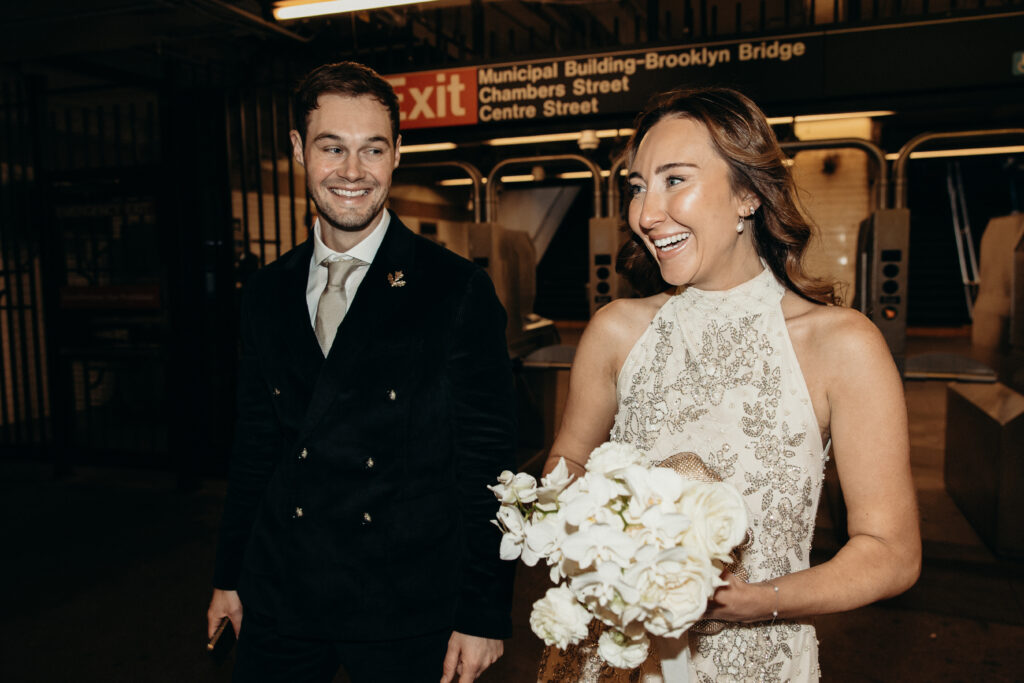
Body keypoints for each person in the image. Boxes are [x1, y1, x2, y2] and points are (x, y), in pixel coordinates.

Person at [540, 87, 921, 681]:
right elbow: (567, 461)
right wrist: (593, 535)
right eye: (638, 186)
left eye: (675, 180)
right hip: (617, 660)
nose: (645, 213)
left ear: (747, 194)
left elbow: (891, 553)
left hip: (759, 661)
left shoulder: (841, 345)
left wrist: (754, 600)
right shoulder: (615, 331)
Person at [206, 61, 516, 683]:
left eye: (372, 149)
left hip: (407, 599)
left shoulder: (453, 288)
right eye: (332, 148)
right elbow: (255, 448)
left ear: (397, 153)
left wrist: (483, 612)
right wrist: (229, 577)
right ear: (298, 150)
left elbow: (489, 464)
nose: (352, 172)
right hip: (283, 586)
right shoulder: (267, 291)